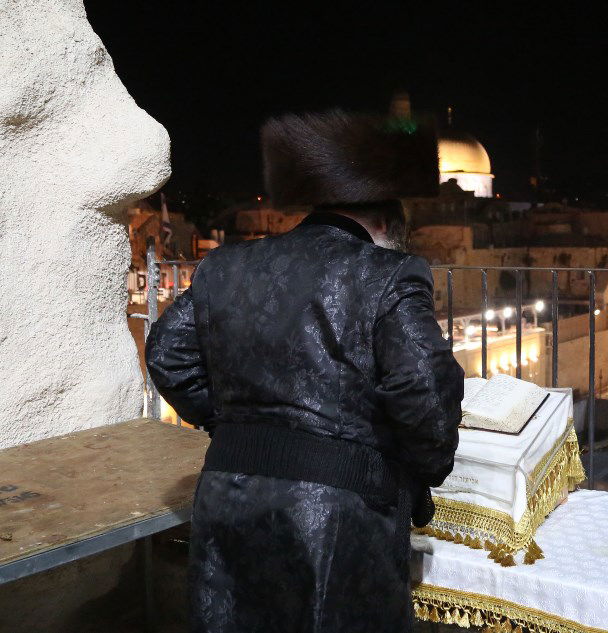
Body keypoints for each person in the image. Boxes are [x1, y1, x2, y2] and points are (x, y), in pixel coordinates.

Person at [145, 107, 463, 633]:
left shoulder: (226, 265)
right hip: (339, 511)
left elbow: (167, 356)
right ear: (385, 222)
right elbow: (425, 391)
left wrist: (236, 424)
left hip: (228, 495)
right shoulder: (390, 272)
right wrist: (425, 467)